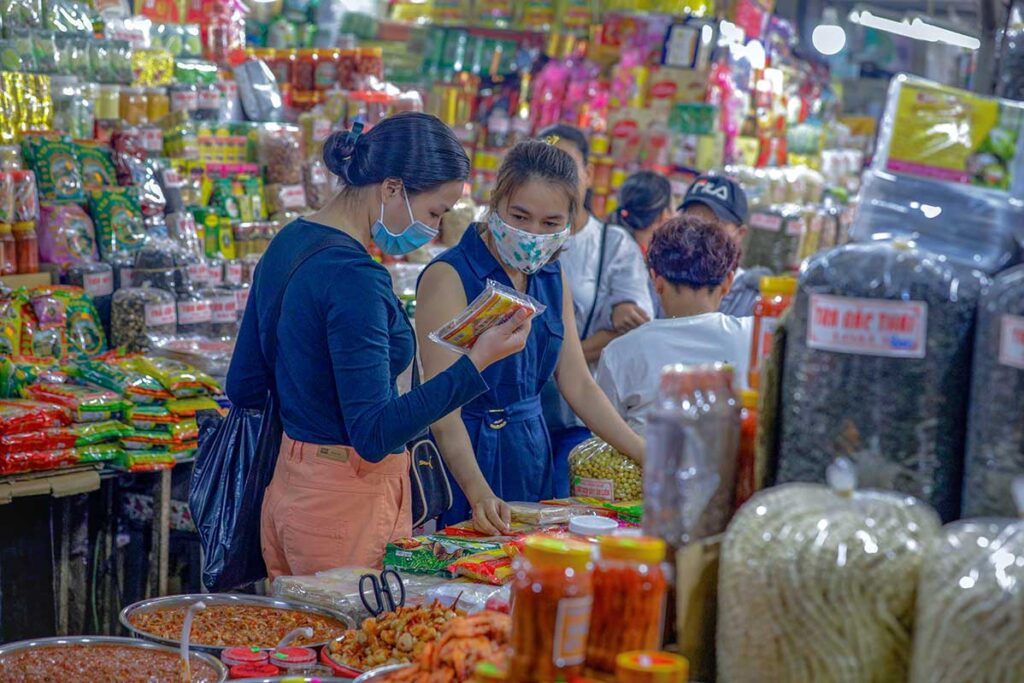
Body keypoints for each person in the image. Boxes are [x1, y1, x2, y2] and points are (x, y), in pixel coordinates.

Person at [225, 113, 532, 579]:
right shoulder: (357, 279)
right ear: (390, 188)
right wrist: (477, 361)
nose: (432, 230)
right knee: (347, 647)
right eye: (434, 213)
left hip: (289, 489)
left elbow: (244, 382)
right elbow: (373, 435)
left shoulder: (290, 241)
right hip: (344, 509)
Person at [416, 139, 645, 533]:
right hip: (465, 452)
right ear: (496, 202)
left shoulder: (554, 277)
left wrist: (644, 453)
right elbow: (442, 408)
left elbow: (578, 384)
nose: (531, 233)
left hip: (531, 447)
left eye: (550, 223)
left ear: (571, 220)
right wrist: (478, 491)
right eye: (519, 216)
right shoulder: (448, 276)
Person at [535, 124, 653, 494]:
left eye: (568, 166)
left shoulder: (612, 244)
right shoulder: (522, 243)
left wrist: (549, 359)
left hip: (579, 417)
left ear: (588, 173)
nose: (557, 178)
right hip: (518, 413)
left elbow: (631, 325)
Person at [596, 215, 754, 430]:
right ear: (728, 283)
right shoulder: (753, 338)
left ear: (656, 280)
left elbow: (604, 439)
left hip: (647, 462)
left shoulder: (620, 352)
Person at [677, 173, 767, 317]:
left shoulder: (753, 299)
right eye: (692, 221)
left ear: (740, 233)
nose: (700, 234)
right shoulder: (661, 282)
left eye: (715, 224)